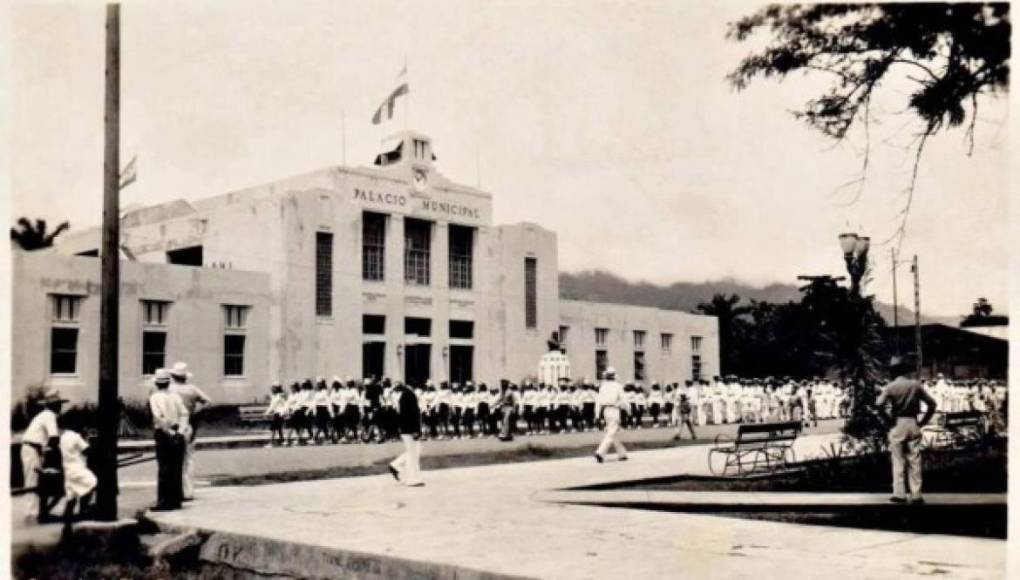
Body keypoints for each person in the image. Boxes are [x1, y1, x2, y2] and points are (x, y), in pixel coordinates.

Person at [875, 359, 937, 504]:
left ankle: (899, 494)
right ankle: (916, 495)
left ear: (893, 372)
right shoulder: (915, 385)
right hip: (913, 422)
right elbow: (932, 404)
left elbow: (878, 405)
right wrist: (923, 421)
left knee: (898, 460)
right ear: (904, 370)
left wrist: (888, 421)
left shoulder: (890, 386)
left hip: (898, 423)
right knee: (915, 460)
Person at [21, 389, 66, 523]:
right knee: (32, 481)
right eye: (58, 404)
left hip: (34, 448)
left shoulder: (45, 415)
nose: (60, 407)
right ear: (52, 405)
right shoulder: (49, 415)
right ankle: (31, 515)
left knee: (37, 482)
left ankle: (38, 513)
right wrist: (56, 454)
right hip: (32, 448)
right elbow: (54, 437)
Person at [169, 362, 211, 501]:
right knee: (188, 459)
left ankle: (174, 491)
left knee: (172, 459)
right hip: (187, 423)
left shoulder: (169, 389)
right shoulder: (192, 389)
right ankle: (188, 491)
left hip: (171, 423)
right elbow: (208, 401)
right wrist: (195, 412)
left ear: (173, 375)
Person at [149, 369, 189, 511]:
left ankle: (164, 501)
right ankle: (175, 499)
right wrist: (180, 431)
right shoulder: (176, 397)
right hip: (178, 431)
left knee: (164, 468)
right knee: (176, 467)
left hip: (164, 433)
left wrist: (170, 432)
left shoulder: (154, 397)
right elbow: (184, 413)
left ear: (156, 383)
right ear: (168, 383)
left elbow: (159, 417)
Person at [57, 410, 97, 533]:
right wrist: (86, 438)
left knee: (71, 498)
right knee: (92, 483)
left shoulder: (63, 436)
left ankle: (67, 525)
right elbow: (88, 451)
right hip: (78, 468)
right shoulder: (76, 437)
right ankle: (83, 510)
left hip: (68, 470)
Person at [388, 381, 425, 487]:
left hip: (407, 428)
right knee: (413, 453)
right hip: (409, 429)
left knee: (414, 452)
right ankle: (412, 479)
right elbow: (412, 414)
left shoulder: (404, 396)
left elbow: (407, 414)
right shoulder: (408, 395)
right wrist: (415, 430)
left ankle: (395, 466)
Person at [594, 367, 628, 463]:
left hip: (605, 410)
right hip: (614, 410)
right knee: (612, 432)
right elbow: (624, 400)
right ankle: (600, 452)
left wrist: (597, 415)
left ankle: (622, 453)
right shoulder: (618, 386)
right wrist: (628, 411)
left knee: (613, 431)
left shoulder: (603, 387)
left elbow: (598, 402)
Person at [264, 383, 288, 447]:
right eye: (272, 388)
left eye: (274, 388)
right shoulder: (274, 396)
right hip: (276, 414)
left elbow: (285, 405)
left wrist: (283, 413)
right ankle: (283, 441)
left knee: (273, 428)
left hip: (279, 414)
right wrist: (267, 413)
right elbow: (271, 406)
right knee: (278, 428)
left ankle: (271, 442)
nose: (272, 389)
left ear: (277, 389)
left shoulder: (280, 396)